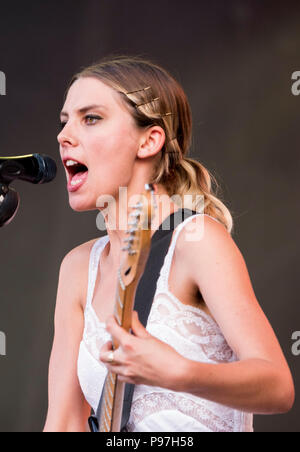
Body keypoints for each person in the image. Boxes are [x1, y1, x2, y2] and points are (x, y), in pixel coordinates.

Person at [43, 55, 294, 432]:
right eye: (65, 122)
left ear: (149, 140)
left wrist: (180, 372)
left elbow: (278, 386)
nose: (64, 136)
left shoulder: (197, 240)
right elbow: (62, 422)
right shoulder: (78, 268)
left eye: (90, 118)